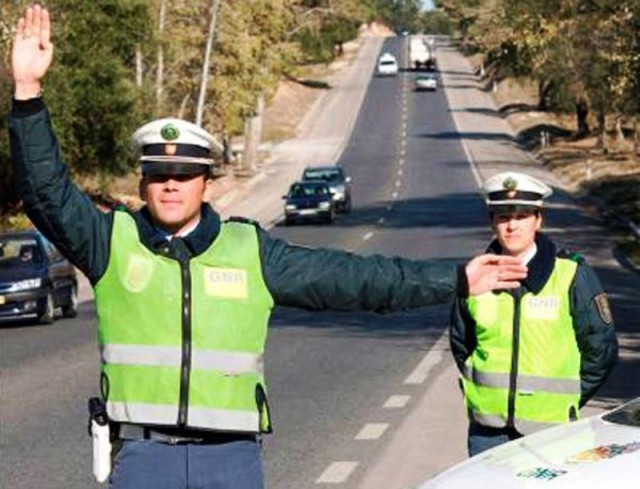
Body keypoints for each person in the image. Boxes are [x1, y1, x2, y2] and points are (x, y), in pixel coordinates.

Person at [9, 6, 528, 488]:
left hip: (231, 459)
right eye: (159, 174)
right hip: (144, 458)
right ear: (142, 184)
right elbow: (46, 192)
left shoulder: (248, 249)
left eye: (185, 174)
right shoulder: (110, 243)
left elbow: (355, 280)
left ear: (207, 182)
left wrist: (454, 279)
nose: (171, 185)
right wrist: (27, 93)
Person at [449, 171, 619, 457]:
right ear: (492, 221)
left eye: (522, 216)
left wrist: (569, 398)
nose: (512, 225)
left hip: (552, 431)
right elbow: (461, 344)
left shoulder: (571, 273)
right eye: (503, 217)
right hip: (487, 432)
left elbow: (601, 350)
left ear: (539, 219)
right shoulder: (474, 277)